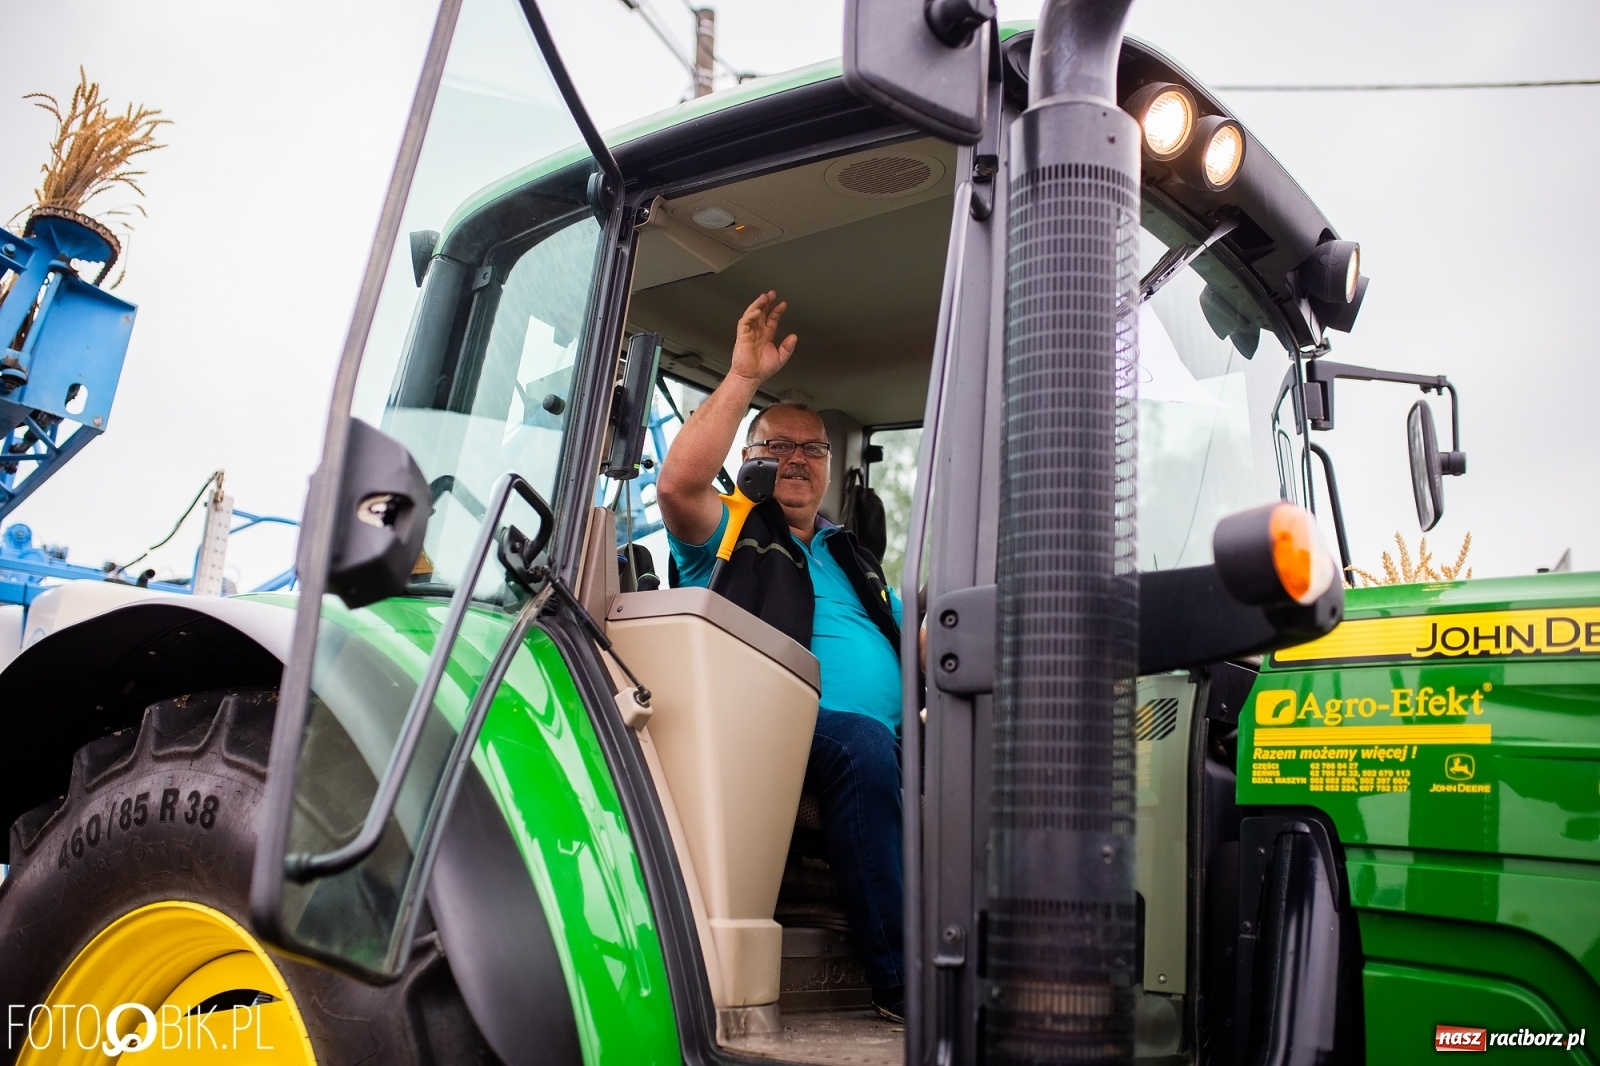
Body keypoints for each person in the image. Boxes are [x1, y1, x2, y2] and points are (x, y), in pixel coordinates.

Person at [656, 290, 908, 1023]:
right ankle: (901, 983)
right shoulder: (731, 528)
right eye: (776, 447)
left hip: (892, 737)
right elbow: (677, 485)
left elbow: (916, 639)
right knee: (861, 743)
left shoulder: (851, 555)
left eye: (812, 449)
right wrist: (742, 378)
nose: (796, 460)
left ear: (829, 466)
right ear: (748, 460)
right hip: (779, 725)